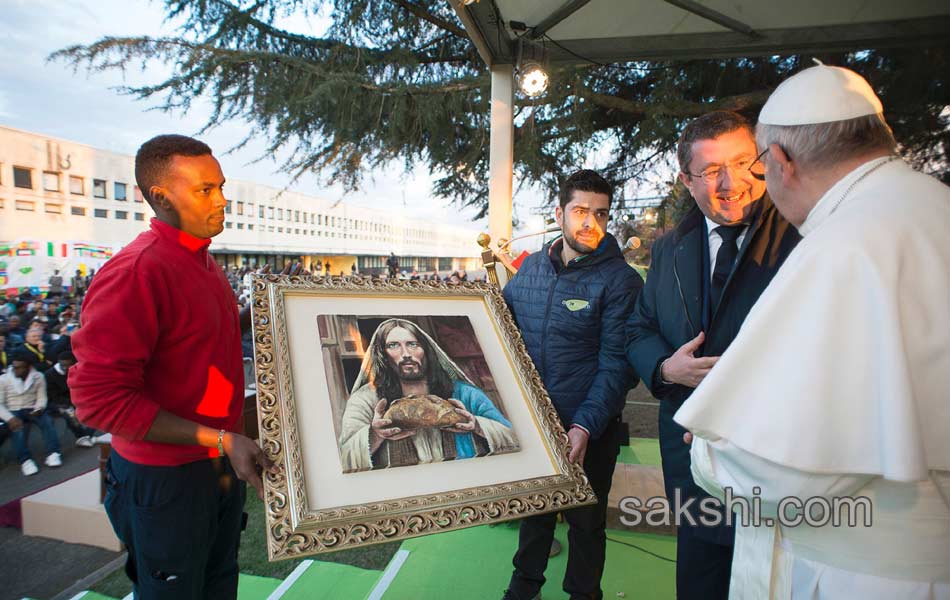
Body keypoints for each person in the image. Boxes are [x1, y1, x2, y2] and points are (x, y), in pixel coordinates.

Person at [675, 62, 950, 599]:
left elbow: (792, 473)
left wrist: (710, 453)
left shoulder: (843, 244)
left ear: (780, 160)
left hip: (873, 573)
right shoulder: (931, 207)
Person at [70, 134, 273, 600]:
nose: (223, 201)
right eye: (206, 190)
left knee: (219, 582)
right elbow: (99, 402)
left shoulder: (203, 262)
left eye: (221, 186)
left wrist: (271, 315)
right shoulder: (136, 271)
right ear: (161, 196)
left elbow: (200, 341)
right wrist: (222, 439)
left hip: (220, 463)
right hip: (166, 480)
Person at [625, 111, 800, 599]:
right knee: (700, 579)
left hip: (770, 458)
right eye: (710, 171)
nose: (732, 183)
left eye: (744, 162)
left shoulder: (801, 235)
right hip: (690, 455)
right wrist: (665, 368)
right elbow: (638, 327)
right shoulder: (668, 249)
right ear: (686, 180)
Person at [501, 169, 643, 600]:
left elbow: (617, 366)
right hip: (535, 426)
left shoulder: (621, 281)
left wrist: (584, 425)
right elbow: (498, 334)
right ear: (559, 213)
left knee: (586, 524)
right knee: (534, 515)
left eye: (601, 214)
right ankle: (523, 590)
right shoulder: (528, 273)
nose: (591, 224)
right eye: (581, 211)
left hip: (590, 428)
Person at [338, 318, 518, 471]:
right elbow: (344, 458)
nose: (406, 354)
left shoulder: (466, 395)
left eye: (412, 344)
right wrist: (375, 434)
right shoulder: (365, 400)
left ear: (427, 350)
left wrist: (477, 425)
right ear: (382, 355)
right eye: (393, 346)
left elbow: (514, 438)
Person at [0, 351, 63, 476]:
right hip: (12, 410)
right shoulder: (3, 379)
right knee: (17, 428)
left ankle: (53, 453)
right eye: (14, 366)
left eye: (19, 367)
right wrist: (10, 418)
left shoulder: (38, 376)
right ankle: (25, 460)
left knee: (47, 422)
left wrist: (39, 408)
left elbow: (42, 397)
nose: (14, 370)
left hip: (31, 408)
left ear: (28, 367)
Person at [44, 351, 97, 447]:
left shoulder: (79, 369)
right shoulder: (50, 374)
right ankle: (81, 436)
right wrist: (72, 402)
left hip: (77, 398)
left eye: (68, 365)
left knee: (97, 409)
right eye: (62, 365)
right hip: (60, 402)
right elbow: (53, 396)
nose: (65, 368)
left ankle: (87, 435)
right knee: (70, 414)